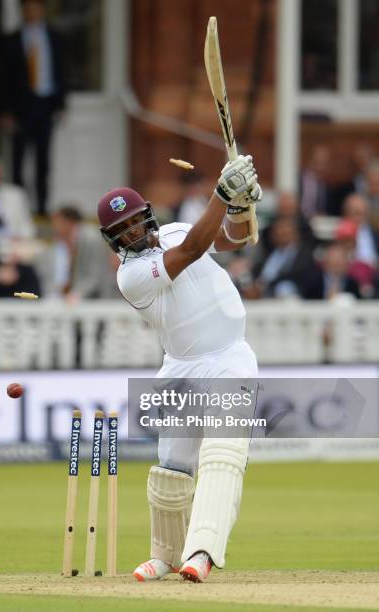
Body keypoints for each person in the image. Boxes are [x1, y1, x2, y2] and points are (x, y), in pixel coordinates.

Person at [97, 154, 262, 582]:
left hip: (230, 357)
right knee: (172, 467)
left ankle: (202, 552)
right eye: (121, 230)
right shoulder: (130, 275)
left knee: (223, 453)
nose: (132, 232)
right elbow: (191, 252)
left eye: (134, 221)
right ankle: (166, 556)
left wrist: (240, 207)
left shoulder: (173, 230)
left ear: (147, 215)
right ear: (111, 239)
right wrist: (223, 194)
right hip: (182, 367)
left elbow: (231, 239)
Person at [2, 0, 66, 216]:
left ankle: (41, 208)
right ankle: (18, 210)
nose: (32, 11)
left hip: (45, 104)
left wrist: (60, 104)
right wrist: (7, 111)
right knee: (18, 161)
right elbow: (5, 78)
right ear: (22, 11)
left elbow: (62, 71)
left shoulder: (54, 38)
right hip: (21, 107)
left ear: (42, 9)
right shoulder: (12, 40)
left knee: (43, 160)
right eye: (27, 7)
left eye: (36, 6)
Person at [36, 206, 108, 300]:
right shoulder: (57, 247)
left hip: (94, 299)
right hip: (63, 300)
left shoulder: (91, 238)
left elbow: (95, 275)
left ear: (68, 222)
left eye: (56, 222)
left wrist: (78, 294)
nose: (53, 226)